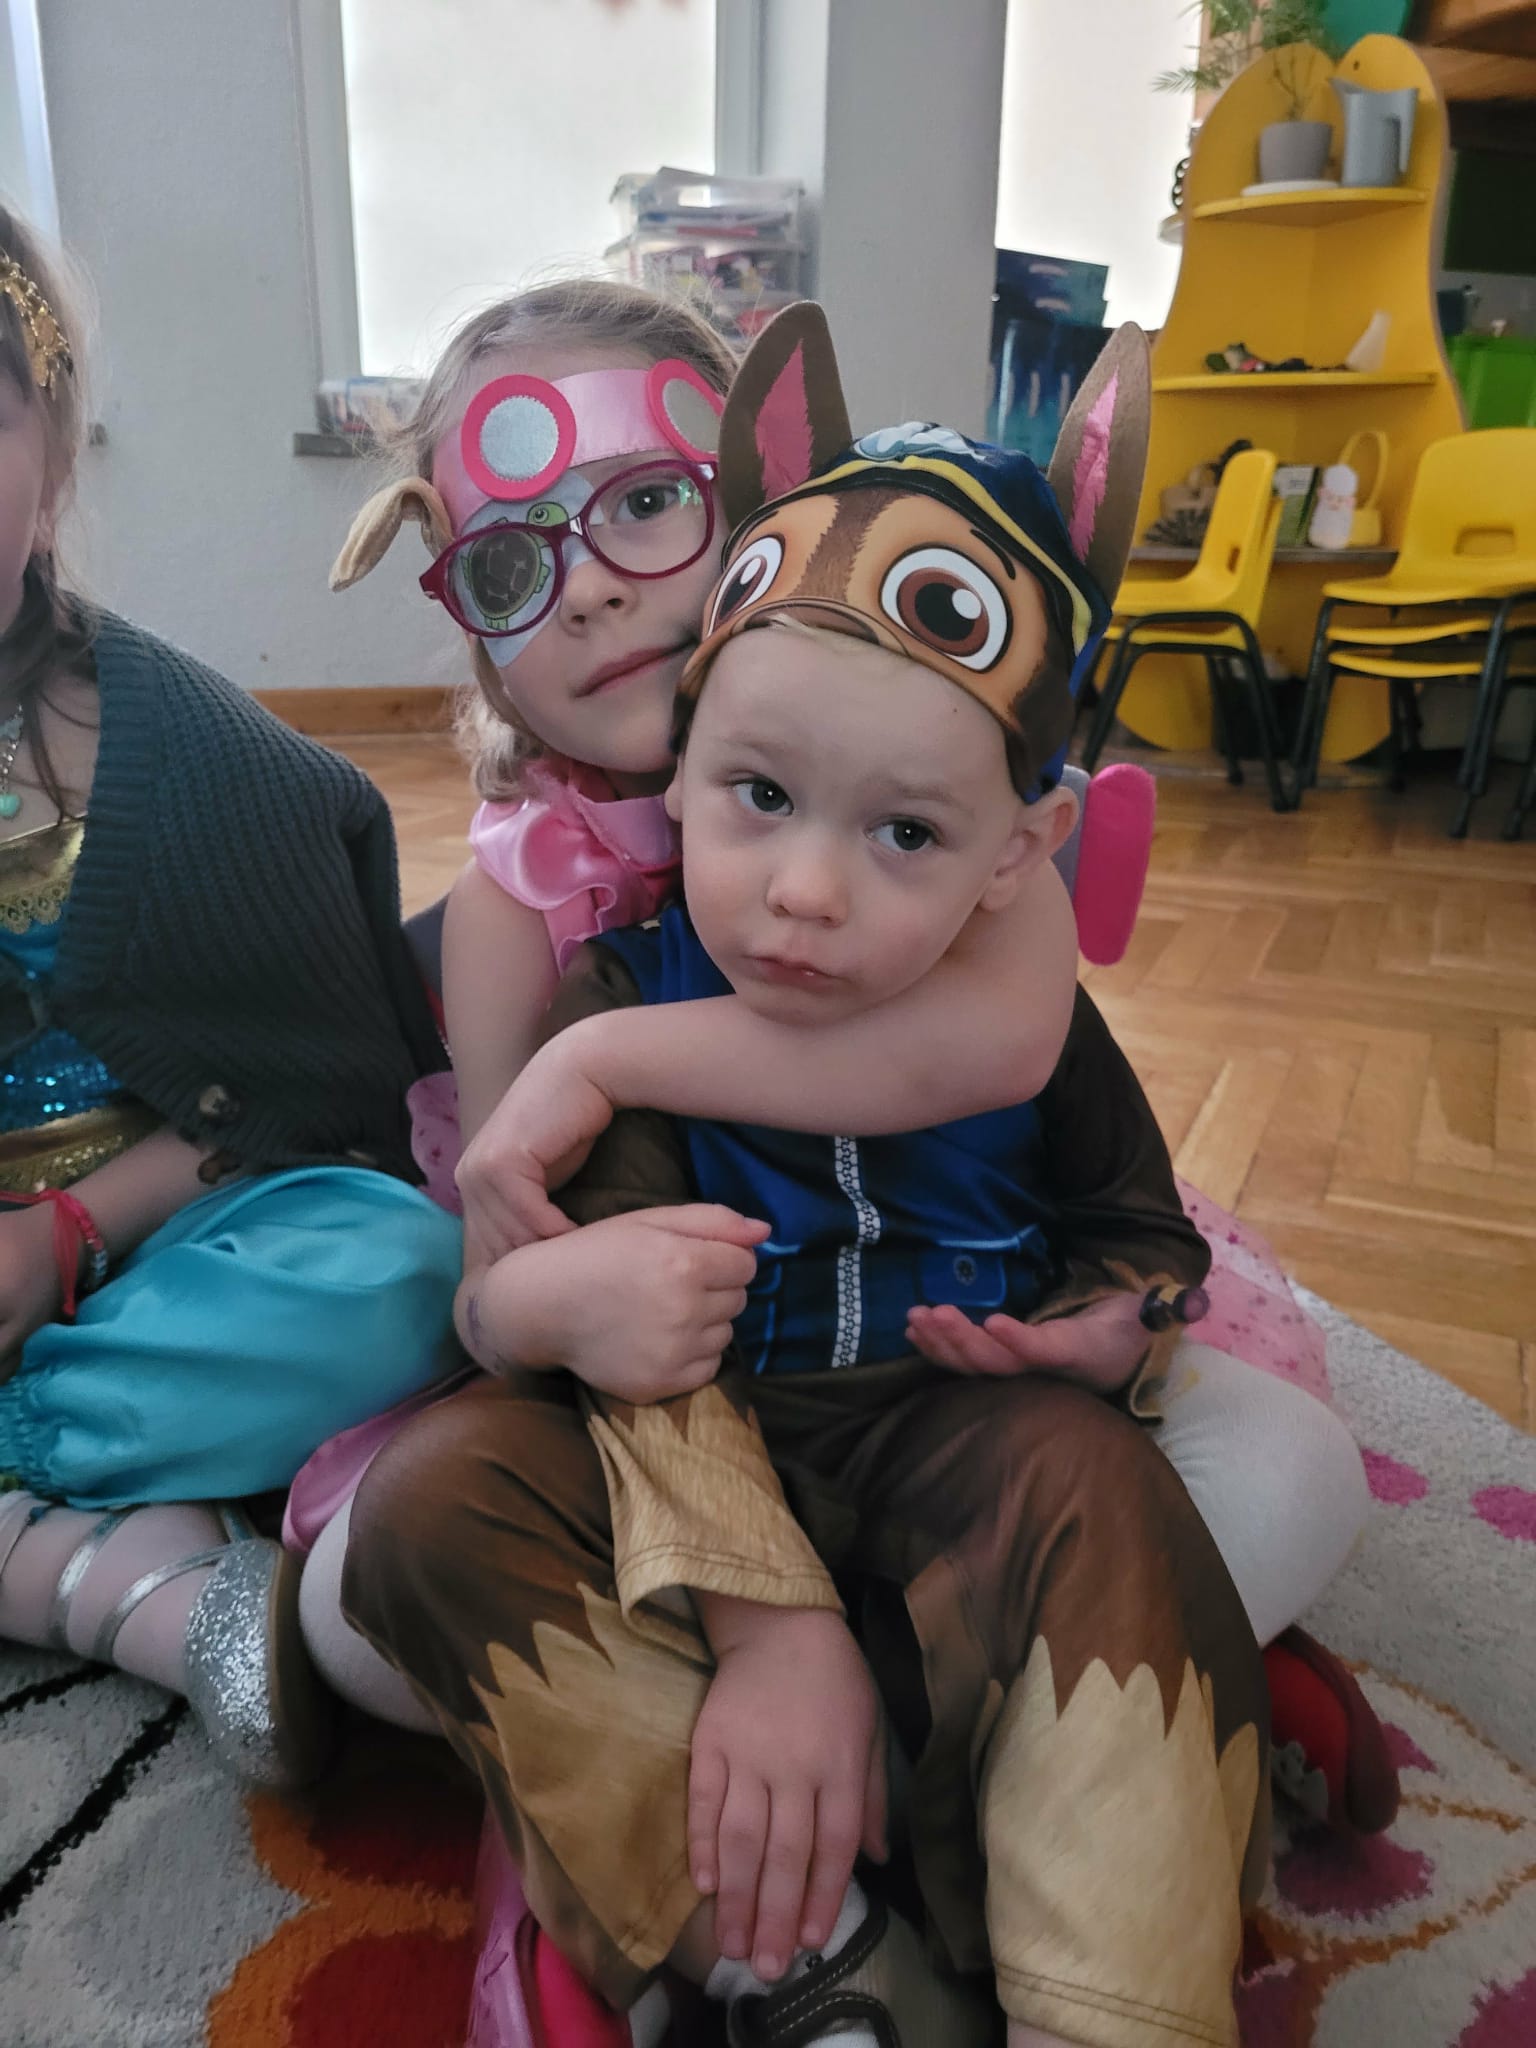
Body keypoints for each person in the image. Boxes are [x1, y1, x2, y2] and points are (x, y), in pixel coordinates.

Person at [340, 309, 1275, 2048]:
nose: (807, 897)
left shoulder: (997, 945)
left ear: (1017, 852)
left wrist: (1112, 1324)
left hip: (955, 1436)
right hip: (684, 1471)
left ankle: (1103, 1981)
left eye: (905, 835)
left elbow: (1131, 1218)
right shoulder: (590, 962)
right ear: (699, 767)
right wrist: (543, 1305)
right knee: (415, 1524)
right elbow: (522, 1260)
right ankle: (816, 1955)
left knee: (1145, 1491)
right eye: (757, 802)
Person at [293, 277, 1085, 1727]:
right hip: (667, 1392)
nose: (592, 587)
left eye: (650, 501)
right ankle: (879, 1706)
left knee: (1276, 1469)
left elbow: (1003, 1043)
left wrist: (604, 1057)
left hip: (934, 1330)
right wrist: (545, 1304)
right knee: (358, 1603)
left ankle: (876, 1697)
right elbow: (497, 1265)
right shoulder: (516, 902)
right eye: (511, 559)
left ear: (769, 503)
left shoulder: (948, 778)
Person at [0, 206, 460, 1786]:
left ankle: (41, 1483)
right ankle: (147, 1575)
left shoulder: (199, 761)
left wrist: (63, 1232)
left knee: (404, 1270)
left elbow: (300, 1086)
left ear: (54, 462)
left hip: (156, 1254)